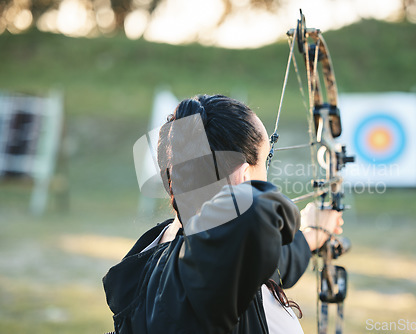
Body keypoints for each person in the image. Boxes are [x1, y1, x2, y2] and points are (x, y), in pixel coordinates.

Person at [103, 94, 344, 334]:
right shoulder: (210, 265)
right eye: (266, 159)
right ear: (243, 176)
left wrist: (310, 236)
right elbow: (238, 241)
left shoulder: (153, 253)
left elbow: (241, 255)